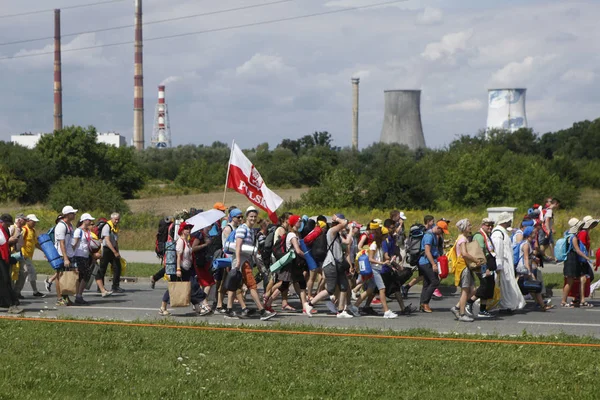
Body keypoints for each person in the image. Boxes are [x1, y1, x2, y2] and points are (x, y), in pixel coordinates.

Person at [224, 206, 276, 321]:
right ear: (247, 217)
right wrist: (237, 260)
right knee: (252, 285)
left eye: (255, 216)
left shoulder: (251, 230)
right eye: (251, 216)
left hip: (245, 260)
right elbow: (238, 245)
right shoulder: (243, 229)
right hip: (241, 261)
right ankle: (262, 311)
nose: (253, 218)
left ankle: (229, 310)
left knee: (235, 286)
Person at [305, 214, 354, 318]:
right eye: (339, 225)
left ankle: (341, 311)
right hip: (330, 264)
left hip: (338, 264)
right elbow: (344, 223)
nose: (343, 228)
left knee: (344, 286)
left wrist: (350, 231)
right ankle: (310, 304)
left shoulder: (337, 235)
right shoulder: (331, 232)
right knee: (330, 289)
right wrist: (338, 219)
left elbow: (347, 241)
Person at [159, 222, 209, 316]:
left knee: (191, 287)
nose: (189, 230)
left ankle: (199, 308)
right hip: (181, 269)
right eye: (186, 228)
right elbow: (179, 256)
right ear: (182, 230)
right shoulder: (180, 241)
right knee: (175, 288)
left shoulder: (187, 241)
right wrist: (178, 269)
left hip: (187, 268)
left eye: (190, 228)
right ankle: (163, 308)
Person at [490, 212, 525, 312]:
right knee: (504, 285)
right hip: (502, 264)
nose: (511, 222)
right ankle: (505, 305)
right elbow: (498, 250)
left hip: (506, 264)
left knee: (507, 284)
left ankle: (507, 304)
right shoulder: (497, 233)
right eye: (509, 220)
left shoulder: (502, 232)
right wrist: (499, 265)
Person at [402, 215, 442, 299]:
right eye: (432, 221)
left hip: (422, 257)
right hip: (423, 257)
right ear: (428, 221)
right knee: (425, 276)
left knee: (423, 276)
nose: (433, 223)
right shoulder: (426, 232)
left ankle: (408, 287)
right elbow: (427, 248)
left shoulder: (426, 231)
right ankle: (429, 293)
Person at [448, 219, 481, 322]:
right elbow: (464, 253)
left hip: (465, 266)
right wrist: (476, 260)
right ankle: (462, 314)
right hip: (463, 266)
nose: (470, 227)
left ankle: (457, 308)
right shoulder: (462, 239)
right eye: (469, 225)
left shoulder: (462, 238)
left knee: (472, 290)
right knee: (465, 291)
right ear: (464, 228)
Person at [515, 226, 553, 311]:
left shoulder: (527, 243)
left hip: (523, 268)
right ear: (529, 234)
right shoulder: (525, 245)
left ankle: (539, 303)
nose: (535, 234)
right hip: (524, 268)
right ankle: (542, 305)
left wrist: (534, 258)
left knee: (530, 287)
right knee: (535, 285)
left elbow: (529, 256)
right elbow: (525, 258)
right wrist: (529, 271)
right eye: (533, 233)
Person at [466, 218, 496, 318]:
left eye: (492, 225)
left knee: (489, 286)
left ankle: (482, 310)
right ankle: (469, 302)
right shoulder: (479, 236)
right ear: (482, 225)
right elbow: (480, 253)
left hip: (489, 262)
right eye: (488, 225)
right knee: (484, 285)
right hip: (483, 264)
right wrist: (485, 268)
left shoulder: (487, 235)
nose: (490, 227)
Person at [562, 218, 593, 308]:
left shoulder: (567, 235)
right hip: (572, 260)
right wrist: (588, 258)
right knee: (570, 281)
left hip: (569, 260)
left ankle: (570, 300)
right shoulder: (573, 237)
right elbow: (578, 250)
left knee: (571, 281)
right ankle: (563, 301)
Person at [15, 214, 45, 298]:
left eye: (35, 222)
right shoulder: (24, 230)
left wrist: (44, 251)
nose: (35, 223)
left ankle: (19, 291)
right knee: (28, 273)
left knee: (27, 273)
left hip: (28, 257)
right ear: (28, 221)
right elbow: (19, 242)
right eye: (33, 221)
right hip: (24, 256)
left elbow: (36, 243)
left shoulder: (33, 230)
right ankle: (18, 292)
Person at [71, 213, 97, 305]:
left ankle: (79, 295)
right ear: (84, 220)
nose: (90, 222)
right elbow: (74, 244)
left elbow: (88, 245)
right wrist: (70, 256)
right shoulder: (78, 231)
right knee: (85, 274)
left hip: (85, 255)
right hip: (79, 255)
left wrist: (92, 255)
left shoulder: (87, 231)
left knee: (83, 275)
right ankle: (78, 296)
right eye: (89, 220)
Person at [418, 221, 444, 313]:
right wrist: (433, 264)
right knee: (435, 281)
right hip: (426, 262)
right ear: (438, 228)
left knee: (426, 283)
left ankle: (422, 304)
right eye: (442, 231)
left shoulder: (433, 235)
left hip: (426, 262)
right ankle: (425, 303)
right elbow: (427, 251)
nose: (442, 233)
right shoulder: (429, 236)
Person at [54, 206, 78, 306]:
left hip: (69, 254)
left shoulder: (70, 225)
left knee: (67, 276)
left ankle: (66, 298)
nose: (75, 215)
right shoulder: (61, 226)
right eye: (73, 213)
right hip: (62, 255)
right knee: (60, 276)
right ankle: (60, 299)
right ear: (67, 215)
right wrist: (65, 258)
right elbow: (62, 243)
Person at [0, 214, 22, 313]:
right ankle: (11, 304)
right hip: (1, 258)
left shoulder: (6, 230)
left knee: (5, 281)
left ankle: (7, 303)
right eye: (8, 223)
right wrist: (9, 242)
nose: (9, 226)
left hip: (4, 258)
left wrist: (12, 242)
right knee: (5, 281)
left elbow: (6, 244)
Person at [97, 213, 123, 293]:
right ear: (111, 218)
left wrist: (117, 251)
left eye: (118, 219)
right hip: (106, 249)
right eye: (115, 219)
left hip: (113, 249)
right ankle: (100, 288)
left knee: (117, 267)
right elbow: (107, 241)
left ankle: (115, 286)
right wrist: (114, 252)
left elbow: (115, 241)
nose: (117, 221)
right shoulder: (107, 226)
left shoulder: (115, 227)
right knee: (102, 268)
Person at [9, 213, 27, 299]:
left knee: (24, 271)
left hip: (19, 252)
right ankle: (12, 292)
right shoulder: (12, 228)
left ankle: (17, 291)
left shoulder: (21, 229)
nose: (26, 221)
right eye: (24, 220)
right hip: (13, 252)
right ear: (19, 220)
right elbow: (6, 239)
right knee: (12, 272)